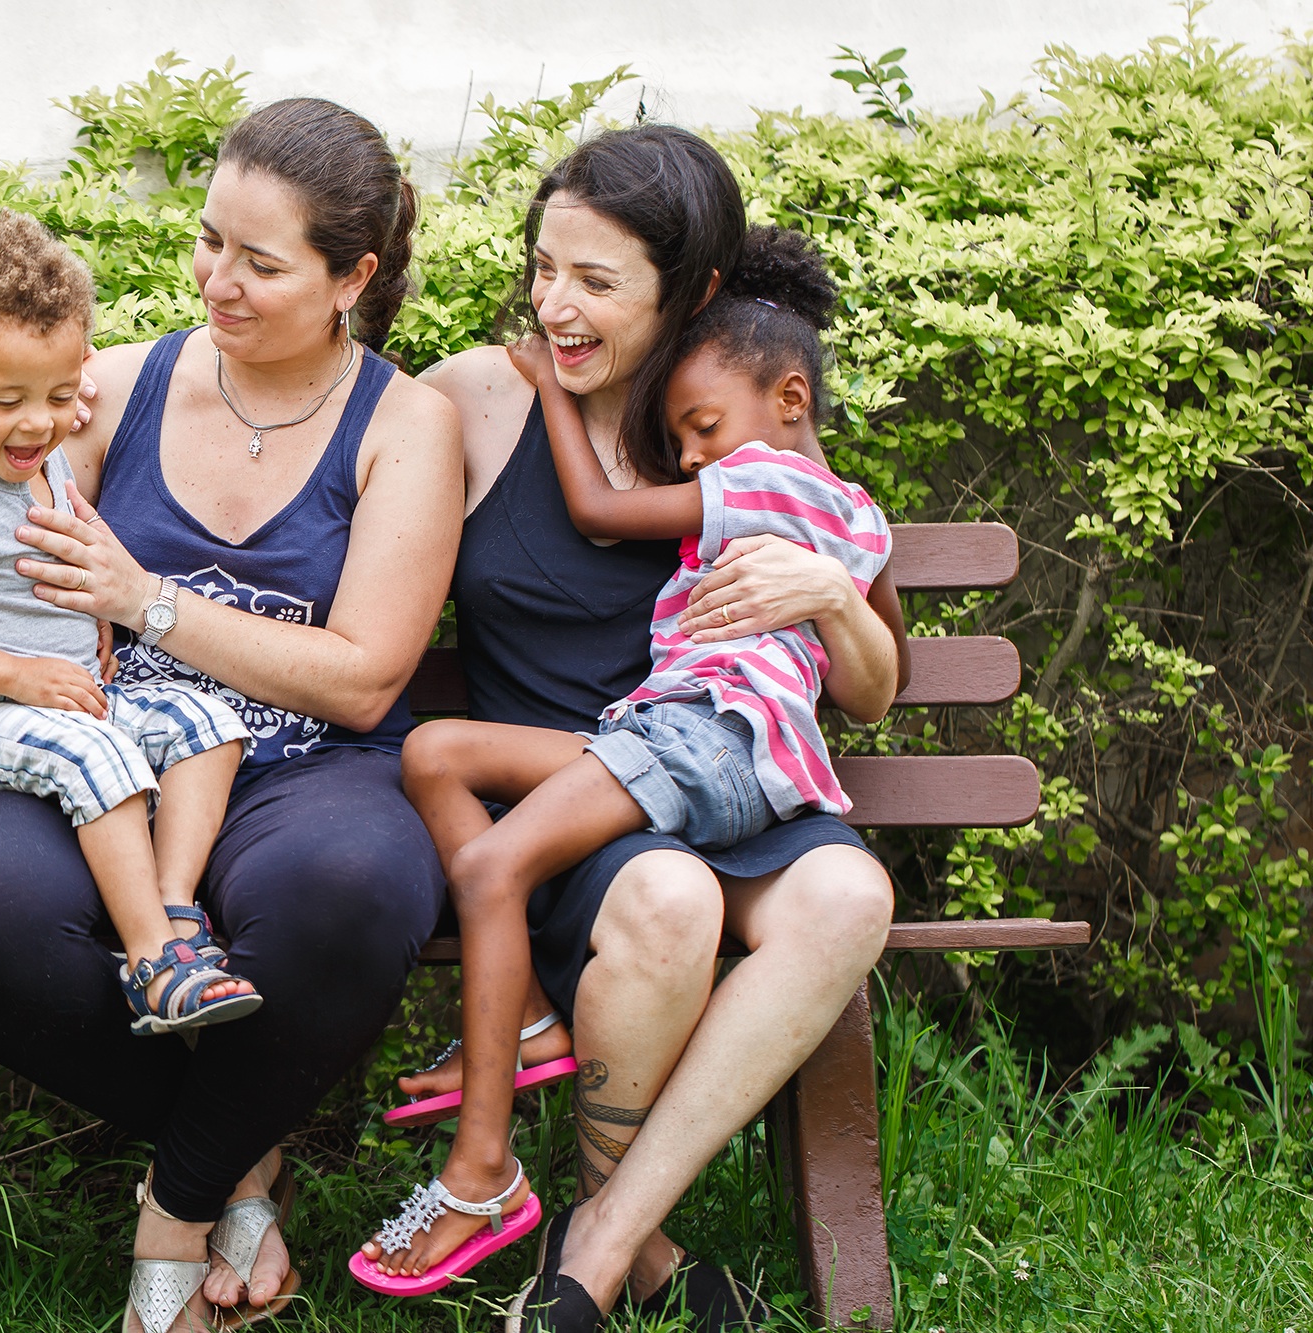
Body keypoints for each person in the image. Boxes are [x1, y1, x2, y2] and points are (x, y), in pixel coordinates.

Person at [0, 100, 462, 1333]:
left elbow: (361, 675)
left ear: (351, 275)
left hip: (310, 768)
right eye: (209, 243)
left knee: (353, 888)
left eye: (261, 262)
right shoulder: (112, 387)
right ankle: (238, 1162)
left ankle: (172, 1214)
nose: (218, 281)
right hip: (112, 761)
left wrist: (147, 600)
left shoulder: (405, 425)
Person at [416, 125, 909, 1331]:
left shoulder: (733, 419)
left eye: (593, 282)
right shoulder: (481, 394)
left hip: (728, 771)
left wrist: (830, 596)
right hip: (580, 797)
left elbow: (871, 691)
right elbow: (325, 471)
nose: (554, 308)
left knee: (848, 899)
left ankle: (589, 1252)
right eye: (543, 270)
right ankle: (629, 1253)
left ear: (687, 293)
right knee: (667, 896)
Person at [0, 210, 261, 1039]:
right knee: (99, 750)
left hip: (63, 697)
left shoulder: (43, 449)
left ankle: (177, 915)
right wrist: (18, 674)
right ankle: (150, 962)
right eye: (7, 400)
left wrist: (86, 634)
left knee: (206, 720)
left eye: (59, 395)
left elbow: (48, 520)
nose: (37, 423)